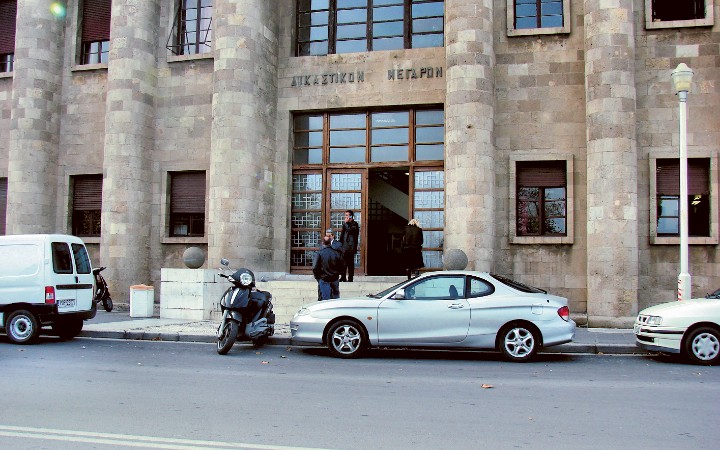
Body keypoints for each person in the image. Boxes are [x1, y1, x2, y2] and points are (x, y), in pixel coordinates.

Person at [312, 236, 343, 300]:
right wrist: (338, 274)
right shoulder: (336, 253)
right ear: (330, 242)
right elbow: (342, 265)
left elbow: (315, 267)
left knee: (325, 300)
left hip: (324, 279)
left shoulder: (320, 253)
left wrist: (317, 277)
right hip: (334, 279)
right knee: (335, 299)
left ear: (323, 243)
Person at [339, 210, 359, 282]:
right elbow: (342, 235)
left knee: (350, 264)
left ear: (351, 216)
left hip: (351, 247)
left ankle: (350, 278)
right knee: (343, 263)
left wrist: (346, 223)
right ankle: (343, 277)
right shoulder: (345, 224)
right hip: (344, 247)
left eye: (347, 215)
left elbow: (350, 230)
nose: (346, 217)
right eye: (345, 215)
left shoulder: (355, 224)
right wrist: (340, 244)